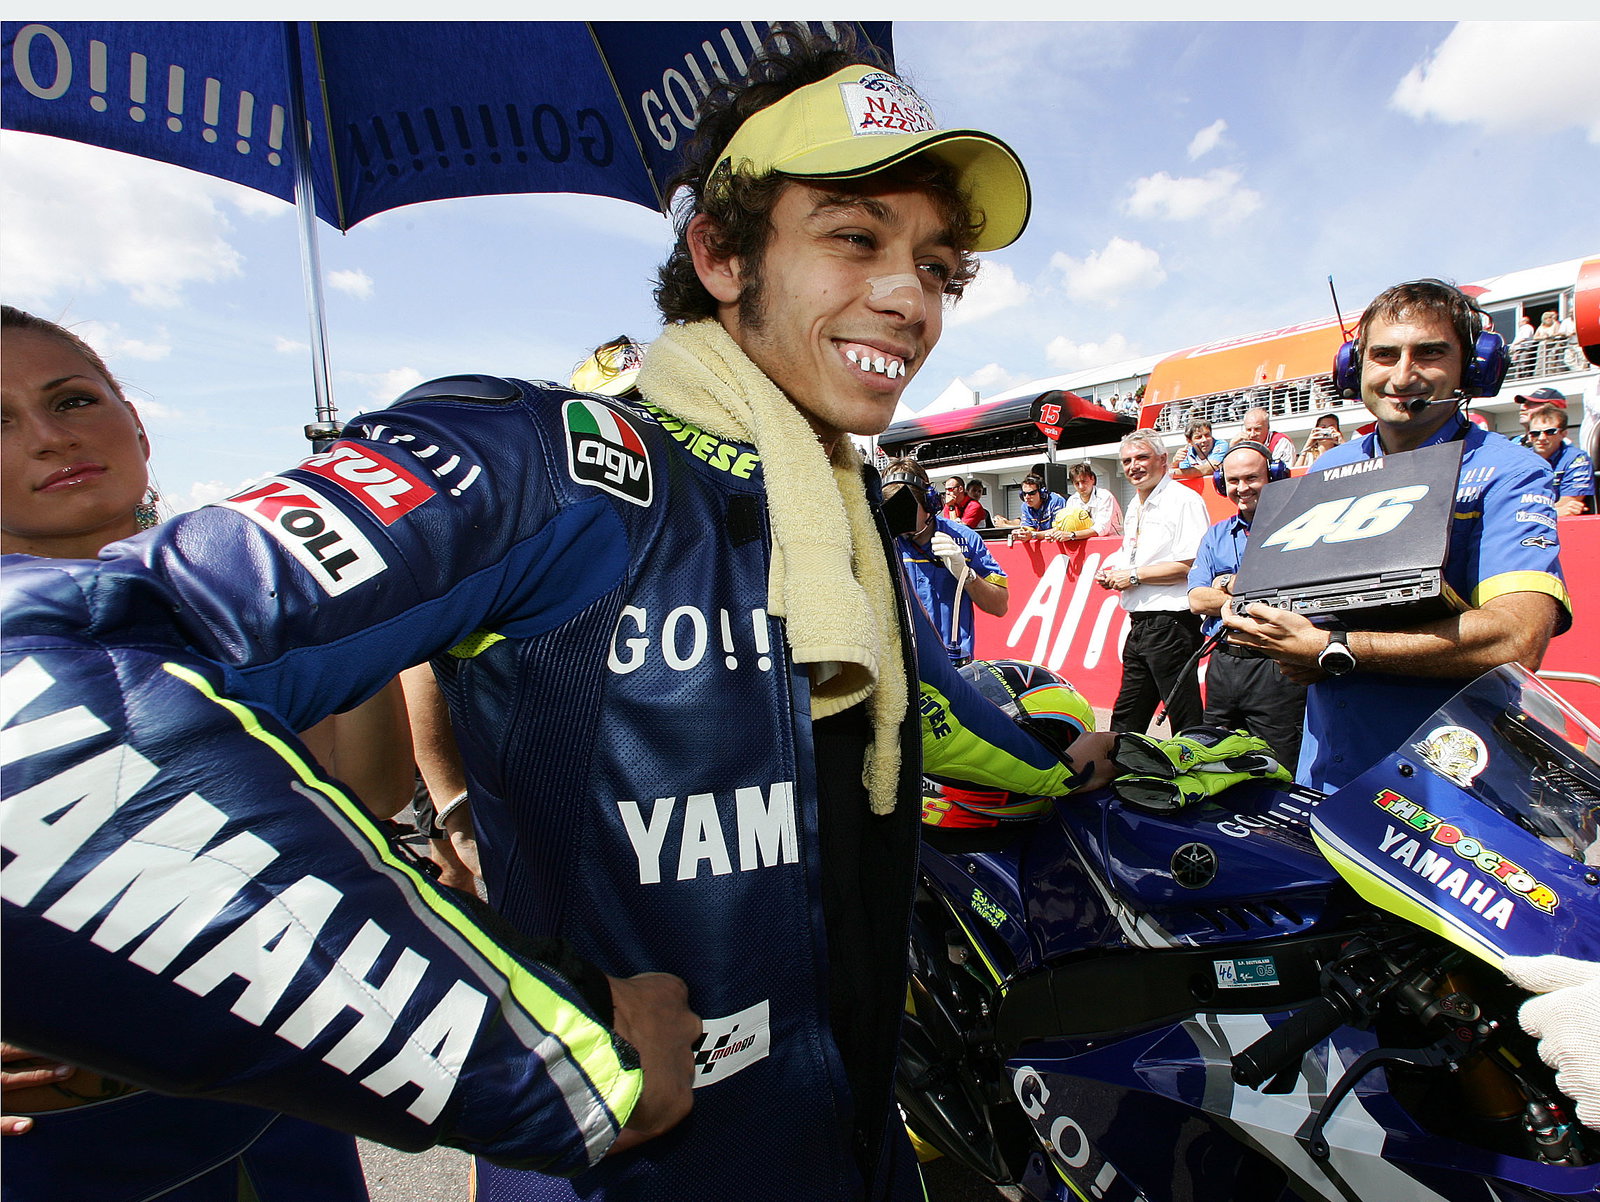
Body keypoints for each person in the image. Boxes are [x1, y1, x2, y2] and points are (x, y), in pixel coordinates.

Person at [3, 31, 1098, 1202]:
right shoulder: (546, 458)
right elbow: (38, 695)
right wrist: (541, 1049)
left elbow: (908, 709)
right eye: (853, 237)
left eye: (937, 265)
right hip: (629, 1166)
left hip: (850, 1140)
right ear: (719, 254)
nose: (905, 297)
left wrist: (1057, 758)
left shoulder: (829, 499)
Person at [0, 305, 414, 1200]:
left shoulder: (240, 602)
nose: (45, 438)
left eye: (71, 399)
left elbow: (372, 796)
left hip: (288, 1097)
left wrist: (355, 598)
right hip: (68, 1146)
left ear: (136, 422)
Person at [1222, 279, 1571, 793]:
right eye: (1383, 355)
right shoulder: (1330, 466)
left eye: (1429, 353)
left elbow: (1517, 636)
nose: (1402, 375)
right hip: (1329, 770)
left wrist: (1332, 649)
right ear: (1354, 367)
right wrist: (1259, 614)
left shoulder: (1509, 469)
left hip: (1451, 782)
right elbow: (1306, 613)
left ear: (1473, 366)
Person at [1186, 442, 1307, 768]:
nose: (1242, 488)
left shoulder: (1302, 527)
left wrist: (1225, 583)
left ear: (1274, 475)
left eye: (1252, 478)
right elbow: (1197, 599)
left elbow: (1293, 596)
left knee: (1279, 767)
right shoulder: (1215, 535)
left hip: (1277, 667)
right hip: (1223, 664)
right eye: (1234, 480)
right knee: (1210, 761)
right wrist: (1244, 587)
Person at [1095, 429, 1210, 733]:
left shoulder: (1183, 500)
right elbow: (1132, 554)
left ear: (1163, 460)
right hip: (1141, 622)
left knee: (1184, 717)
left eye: (1142, 457)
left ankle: (1195, 773)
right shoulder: (1136, 504)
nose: (1134, 466)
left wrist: (1133, 575)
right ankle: (1119, 772)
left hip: (1173, 623)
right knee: (1127, 716)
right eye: (1127, 460)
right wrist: (1111, 572)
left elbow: (1192, 564)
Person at [886, 459, 1008, 666]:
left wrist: (967, 575)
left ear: (929, 502)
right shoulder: (880, 541)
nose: (899, 520)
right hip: (900, 666)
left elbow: (1000, 605)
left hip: (953, 666)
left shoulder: (965, 539)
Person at [1524, 403, 1595, 517]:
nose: (1541, 438)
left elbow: (1569, 503)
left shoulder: (1577, 459)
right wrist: (1555, 512)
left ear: (1564, 434)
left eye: (1550, 432)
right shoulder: (1519, 460)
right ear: (1529, 435)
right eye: (1535, 433)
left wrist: (1528, 514)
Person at [1046, 460, 1122, 542]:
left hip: (1111, 543)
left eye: (1084, 481)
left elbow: (1101, 529)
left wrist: (1072, 535)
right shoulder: (1072, 500)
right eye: (1077, 483)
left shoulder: (1105, 496)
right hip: (1083, 544)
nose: (1081, 486)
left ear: (1092, 479)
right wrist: (1054, 534)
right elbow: (1066, 526)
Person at [994, 470, 1066, 538]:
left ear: (1042, 493)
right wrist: (1022, 533)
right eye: (1024, 494)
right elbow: (1028, 529)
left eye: (1032, 493)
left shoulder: (1056, 501)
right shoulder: (1025, 506)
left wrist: (1033, 535)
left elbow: (1059, 530)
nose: (1027, 497)